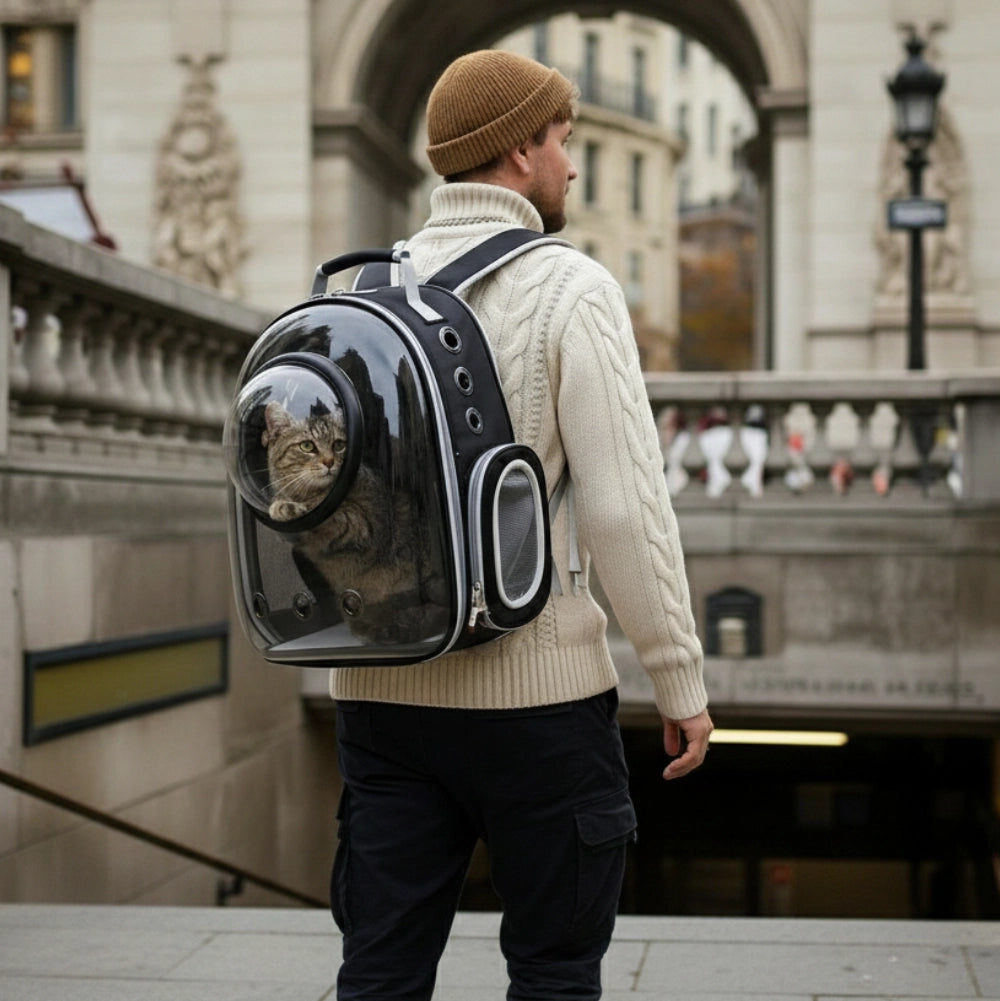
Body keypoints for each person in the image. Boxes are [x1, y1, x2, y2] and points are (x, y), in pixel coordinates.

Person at [327, 48, 713, 1001]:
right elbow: (625, 507)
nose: (573, 166)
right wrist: (678, 676)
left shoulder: (355, 292)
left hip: (381, 694)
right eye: (564, 143)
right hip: (537, 702)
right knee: (552, 968)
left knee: (378, 970)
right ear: (517, 152)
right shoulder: (570, 289)